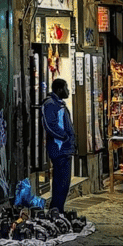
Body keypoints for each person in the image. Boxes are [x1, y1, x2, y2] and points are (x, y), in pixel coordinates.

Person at [41, 78, 76, 213]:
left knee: (64, 183)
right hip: (60, 149)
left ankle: (58, 210)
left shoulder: (59, 104)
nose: (68, 91)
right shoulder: (51, 104)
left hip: (65, 149)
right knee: (60, 182)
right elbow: (51, 125)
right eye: (66, 88)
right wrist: (64, 136)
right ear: (60, 89)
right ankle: (55, 210)